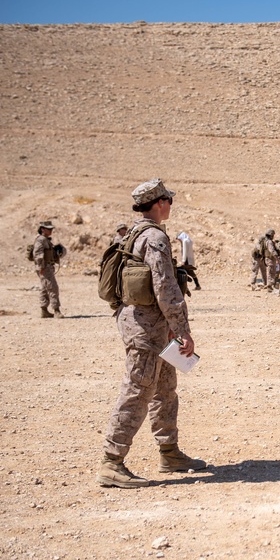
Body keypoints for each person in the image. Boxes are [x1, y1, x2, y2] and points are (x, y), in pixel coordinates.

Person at [97, 179, 206, 488]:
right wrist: (183, 330)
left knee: (164, 389)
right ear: (159, 203)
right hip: (147, 330)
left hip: (152, 327)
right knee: (137, 390)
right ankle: (111, 461)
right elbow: (165, 288)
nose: (170, 205)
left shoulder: (134, 233)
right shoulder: (154, 237)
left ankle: (169, 453)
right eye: (168, 200)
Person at [32, 220, 65, 319]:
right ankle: (56, 310)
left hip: (47, 266)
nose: (51, 231)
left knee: (45, 287)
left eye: (51, 229)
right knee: (52, 287)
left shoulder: (45, 240)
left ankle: (44, 310)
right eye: (48, 229)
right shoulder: (40, 240)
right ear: (42, 229)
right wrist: (41, 267)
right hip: (44, 267)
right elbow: (38, 254)